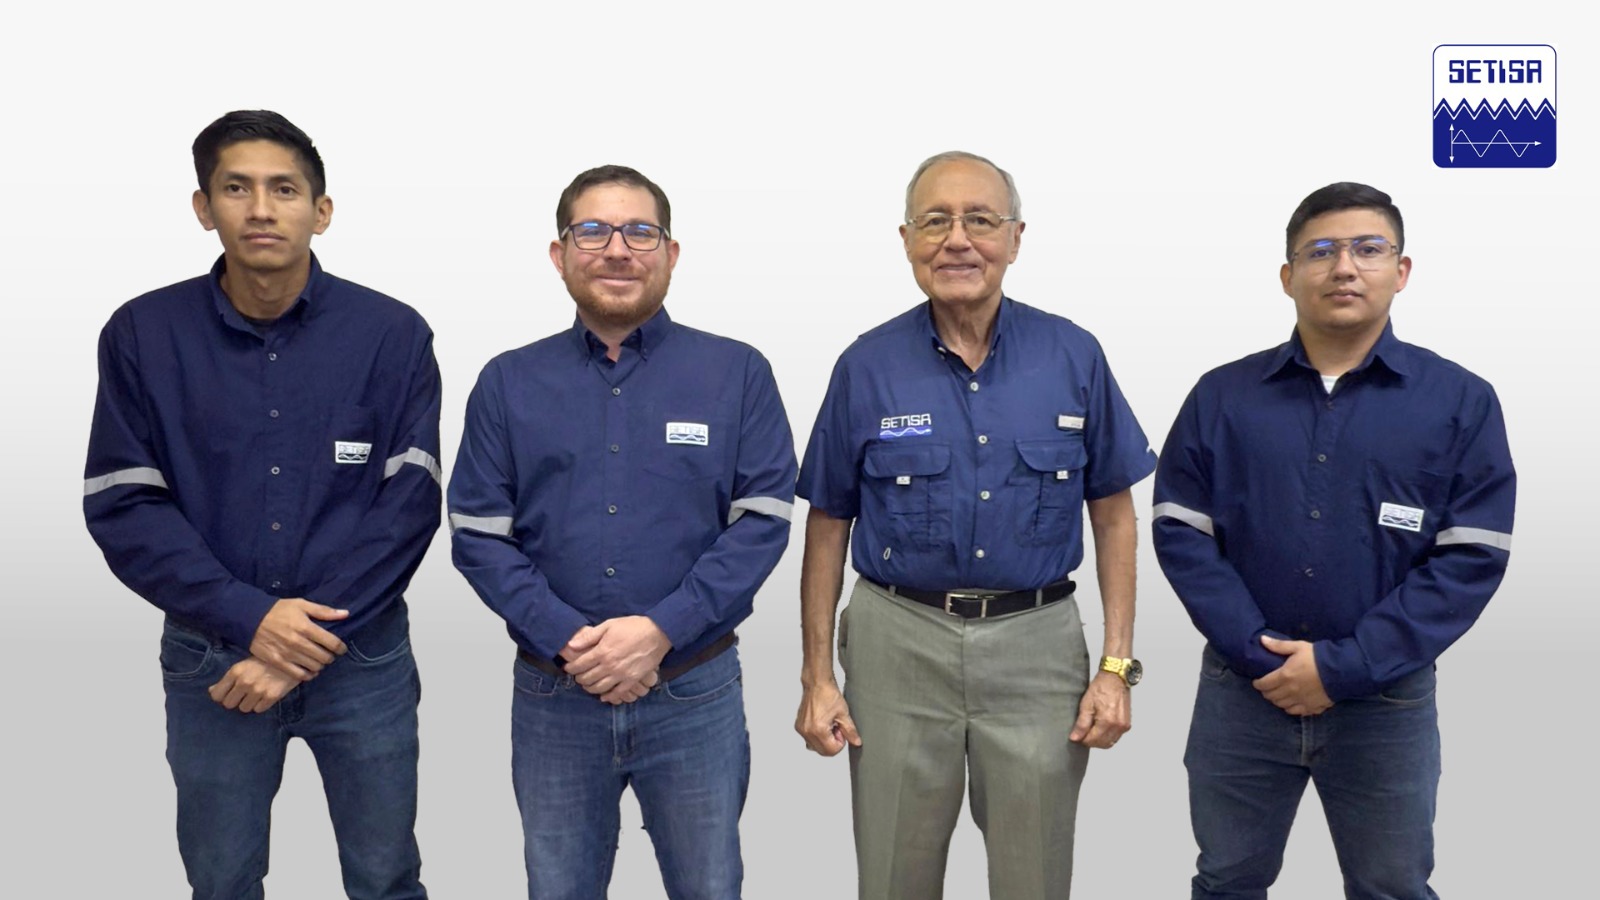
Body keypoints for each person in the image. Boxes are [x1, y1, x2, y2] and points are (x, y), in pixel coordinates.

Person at [82, 110, 440, 899]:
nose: (261, 209)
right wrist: (250, 617)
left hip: (362, 657)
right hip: (214, 657)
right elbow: (124, 502)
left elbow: (410, 504)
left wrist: (294, 642)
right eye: (236, 188)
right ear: (203, 207)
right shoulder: (143, 334)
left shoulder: (392, 335)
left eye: (284, 189)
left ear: (322, 210)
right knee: (222, 881)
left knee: (386, 878)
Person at [793, 150, 1157, 899]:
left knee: (1034, 878)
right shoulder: (865, 366)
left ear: (1016, 238)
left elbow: (1115, 515)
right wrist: (818, 677)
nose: (957, 240)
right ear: (906, 240)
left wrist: (1116, 667)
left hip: (1037, 648)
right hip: (897, 644)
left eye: (981, 220)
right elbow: (827, 523)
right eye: (935, 221)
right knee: (894, 878)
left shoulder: (1074, 355)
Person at [1151, 182, 1516, 899]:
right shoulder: (1223, 396)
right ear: (1288, 276)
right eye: (1320, 251)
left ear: (1400, 271)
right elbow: (1181, 531)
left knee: (1392, 886)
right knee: (1227, 881)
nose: (1344, 267)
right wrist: (1262, 657)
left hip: (1386, 702)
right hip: (1243, 694)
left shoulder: (1459, 402)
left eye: (1367, 249)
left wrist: (1346, 666)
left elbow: (1472, 554)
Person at [447, 164, 796, 899]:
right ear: (560, 253)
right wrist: (573, 641)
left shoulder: (737, 373)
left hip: (693, 692)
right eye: (593, 231)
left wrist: (662, 631)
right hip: (555, 698)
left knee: (709, 888)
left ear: (671, 252)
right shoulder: (508, 382)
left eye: (640, 232)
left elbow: (762, 523)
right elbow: (477, 534)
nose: (617, 249)